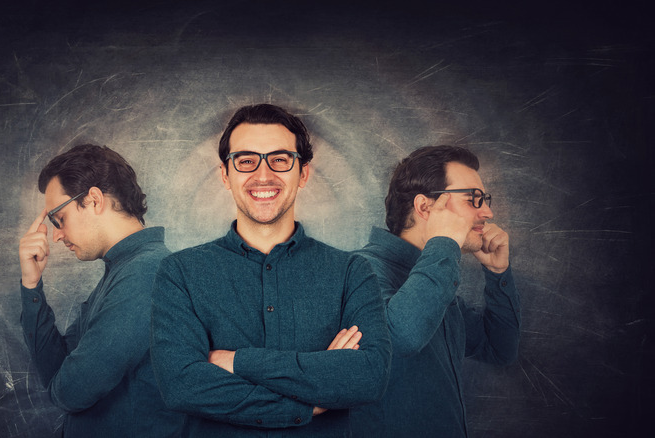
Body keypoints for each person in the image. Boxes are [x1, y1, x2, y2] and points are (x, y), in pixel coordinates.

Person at [150, 104, 391, 437]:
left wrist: (236, 362)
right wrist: (312, 397)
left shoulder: (352, 272)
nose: (263, 175)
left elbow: (368, 377)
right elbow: (182, 385)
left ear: (303, 173)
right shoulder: (180, 273)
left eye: (280, 159)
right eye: (247, 161)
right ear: (226, 175)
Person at [350, 145, 521, 437]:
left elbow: (499, 349)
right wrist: (444, 241)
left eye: (484, 200)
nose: (488, 212)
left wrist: (497, 274)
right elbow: (400, 338)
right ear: (425, 208)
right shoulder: (357, 272)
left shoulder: (436, 279)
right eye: (474, 199)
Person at [18, 144, 184, 437]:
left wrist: (63, 383)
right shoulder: (122, 271)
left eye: (59, 219)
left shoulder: (148, 274)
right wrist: (31, 286)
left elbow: (69, 392)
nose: (56, 235)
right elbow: (56, 370)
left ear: (94, 200)